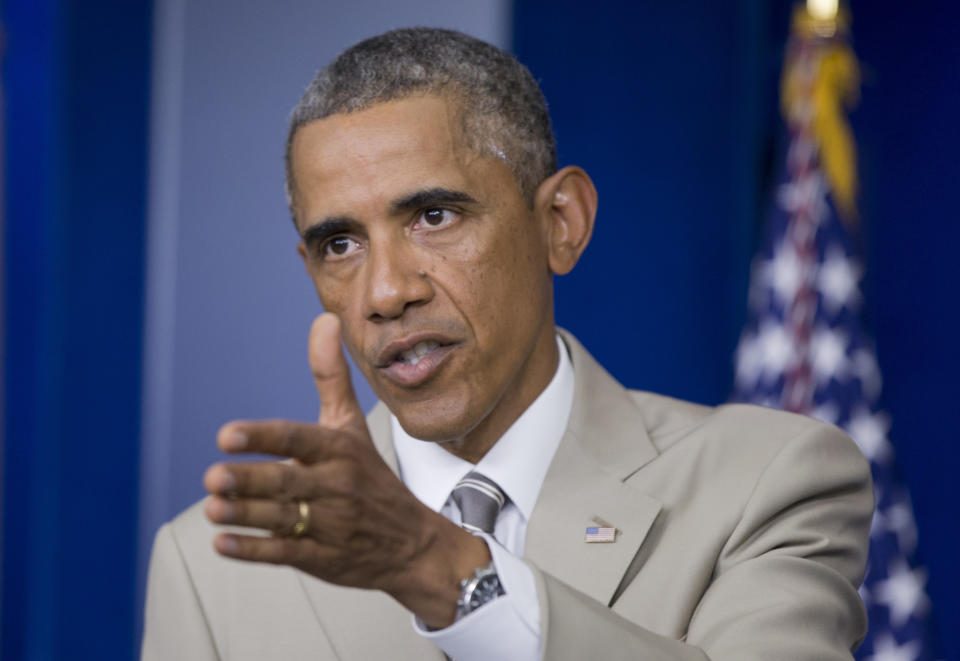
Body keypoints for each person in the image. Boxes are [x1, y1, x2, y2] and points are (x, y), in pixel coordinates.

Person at [142, 27, 872, 661]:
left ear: (560, 222)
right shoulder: (212, 565)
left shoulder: (767, 483)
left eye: (433, 215)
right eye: (340, 243)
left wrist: (437, 565)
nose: (385, 291)